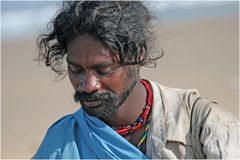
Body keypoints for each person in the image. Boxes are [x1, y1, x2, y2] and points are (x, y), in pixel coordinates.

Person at [33, 1, 239, 159]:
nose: (88, 85)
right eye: (76, 69)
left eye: (103, 69)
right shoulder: (62, 141)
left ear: (139, 55)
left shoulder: (204, 125)